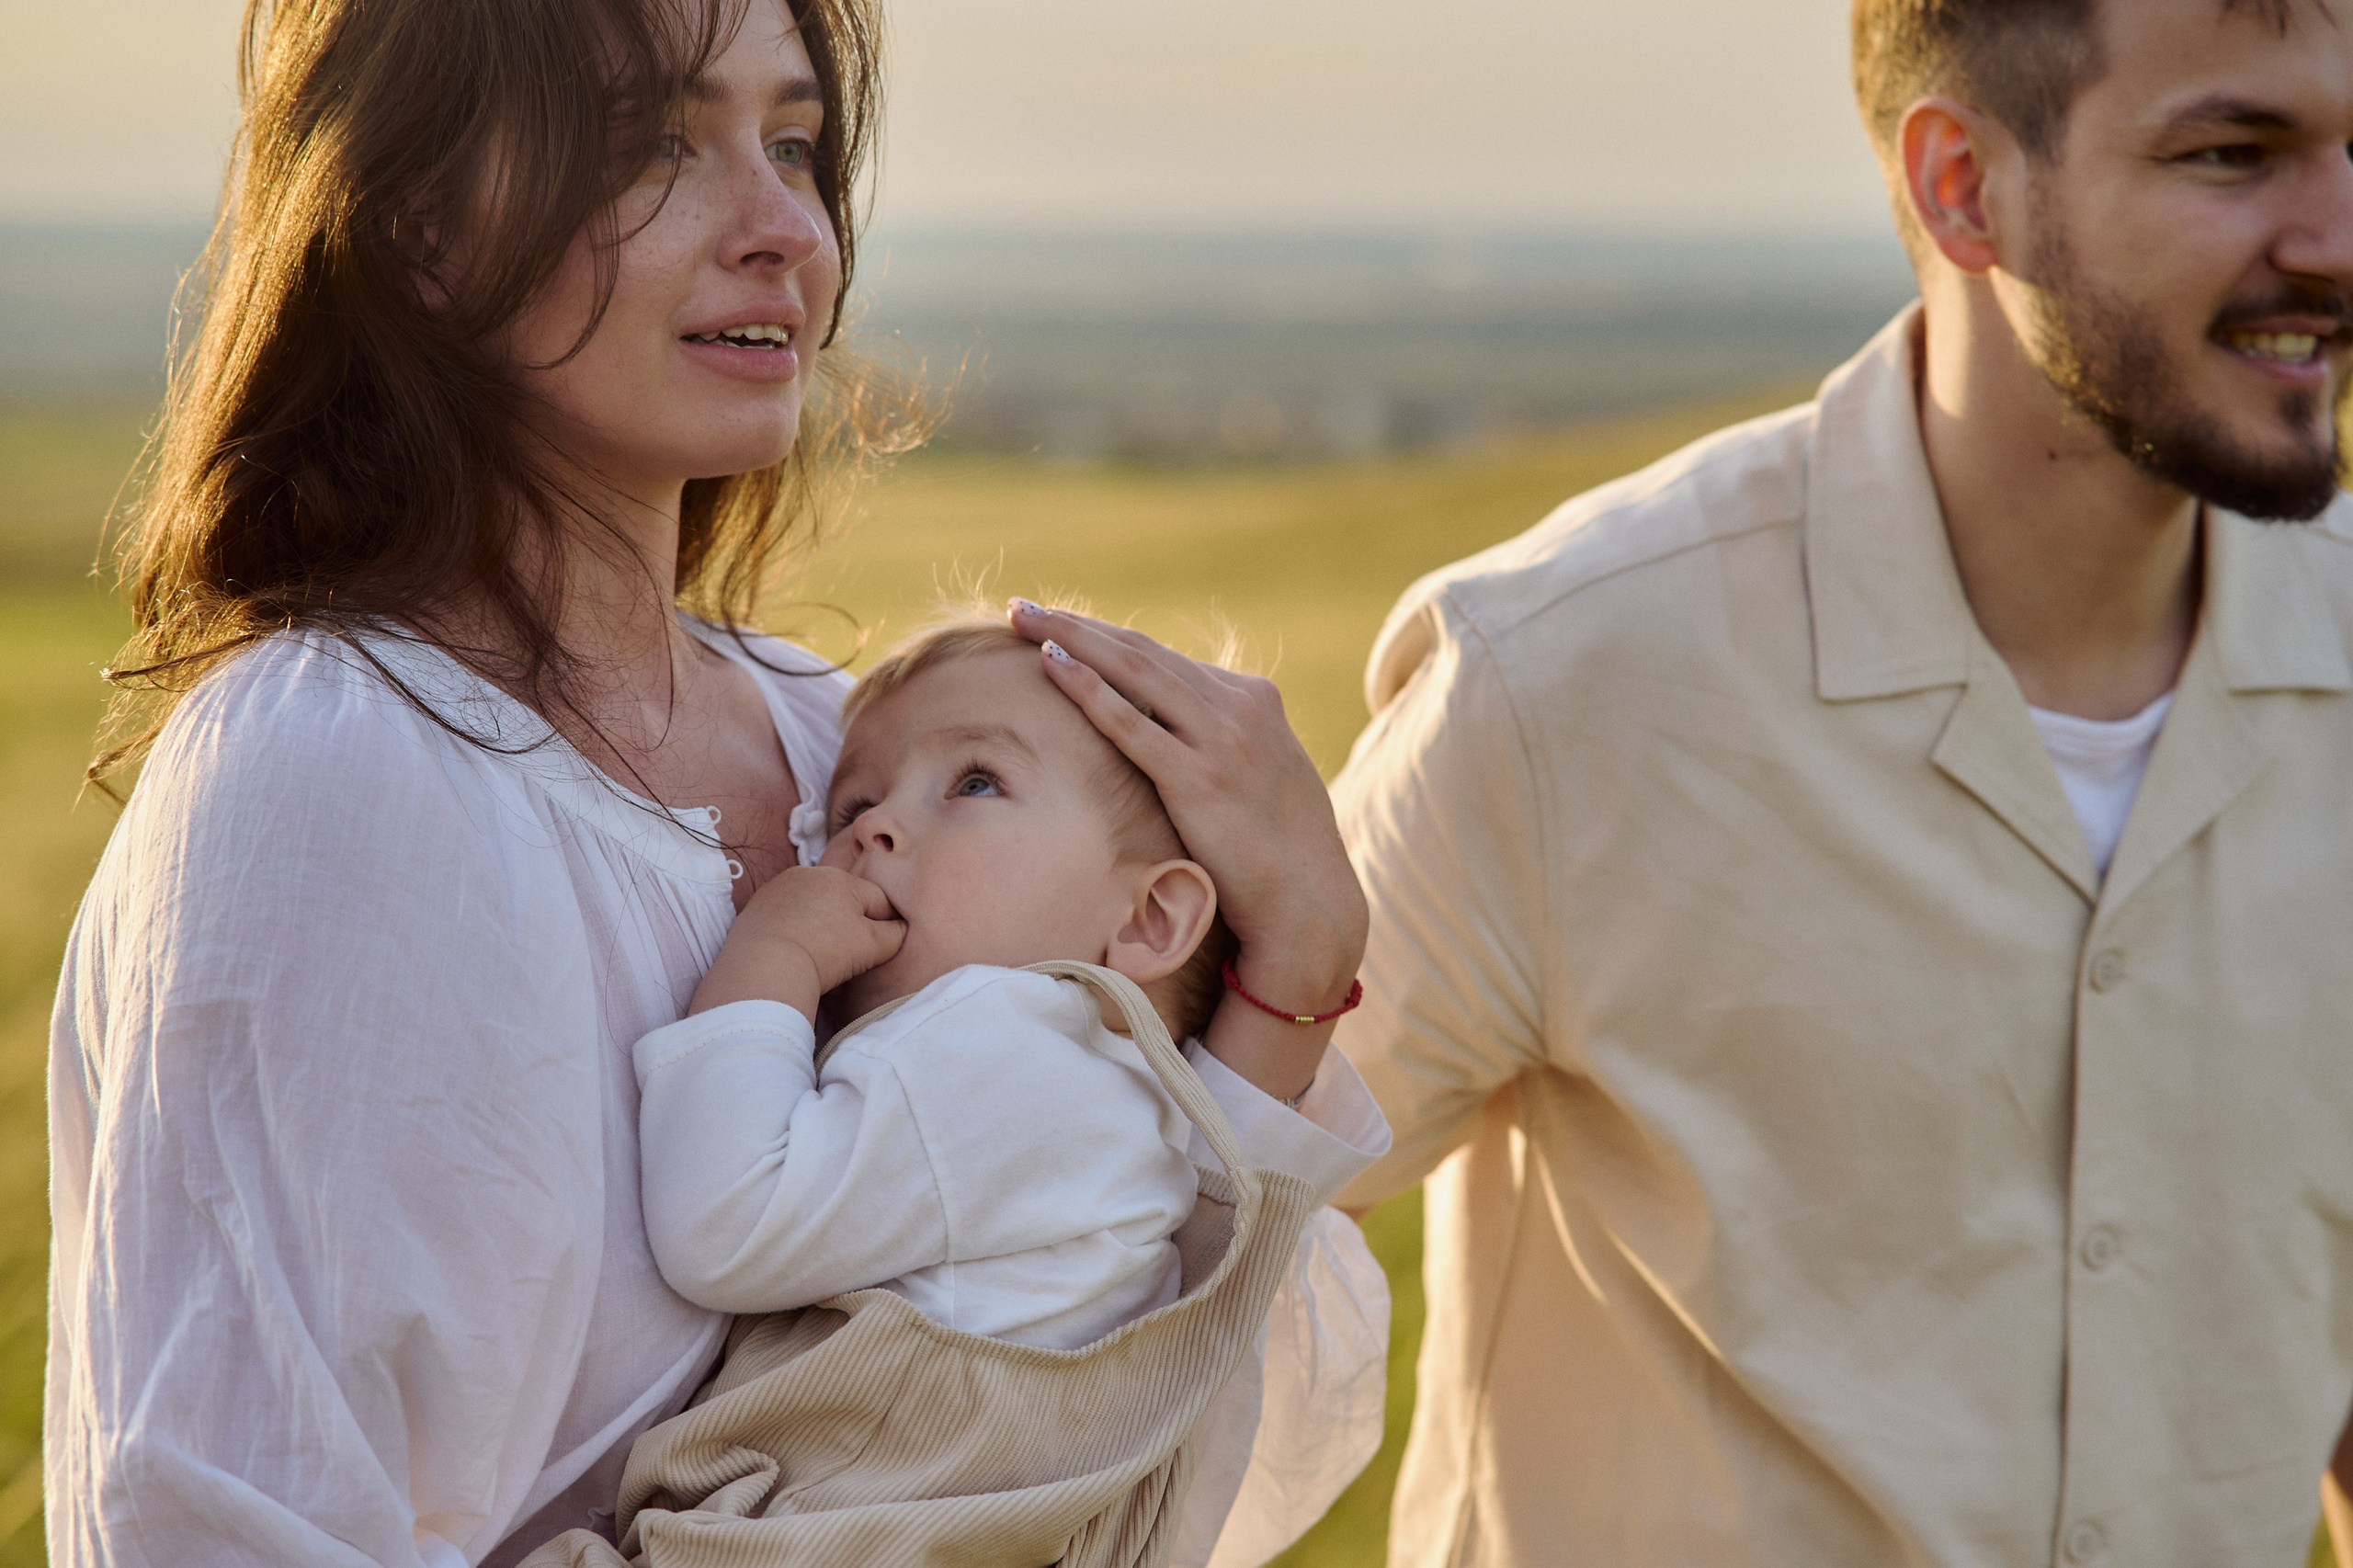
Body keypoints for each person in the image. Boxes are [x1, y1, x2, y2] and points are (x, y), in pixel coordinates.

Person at [44, 1, 1382, 1563]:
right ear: (419, 229)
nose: (780, 230)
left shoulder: (851, 746)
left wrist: (1294, 975)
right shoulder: (331, 773)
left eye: (797, 144)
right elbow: (217, 1518)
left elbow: (1153, 1424)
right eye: (654, 143)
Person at [1331, 0, 2353, 1562]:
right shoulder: (1559, 685)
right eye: (2235, 153)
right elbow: (1164, 1234)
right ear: (1965, 186)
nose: (2336, 237)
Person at [633, 615, 1381, 1357]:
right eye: (853, 806)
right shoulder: (1110, 1102)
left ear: (1150, 919)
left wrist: (773, 956)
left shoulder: (1007, 1049)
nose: (874, 827)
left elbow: (723, 1223)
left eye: (977, 781)